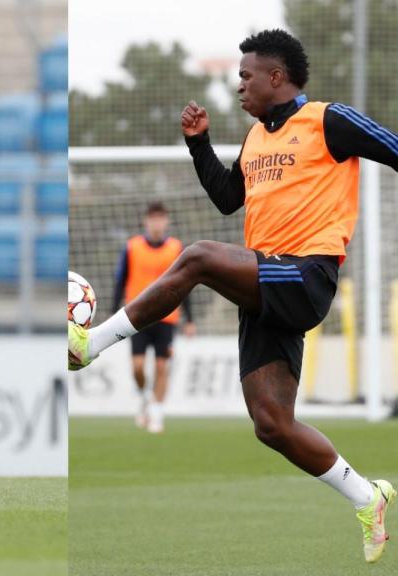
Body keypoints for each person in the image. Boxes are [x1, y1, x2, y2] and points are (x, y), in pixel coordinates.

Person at [69, 29, 398, 562]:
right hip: (264, 285)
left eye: (245, 77)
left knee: (196, 256)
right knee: (272, 424)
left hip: (305, 274)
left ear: (276, 76)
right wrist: (199, 144)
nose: (238, 86)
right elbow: (228, 200)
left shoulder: (327, 119)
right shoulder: (256, 138)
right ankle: (368, 497)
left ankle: (89, 343)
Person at [112, 202, 195, 433]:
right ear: (145, 222)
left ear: (166, 221)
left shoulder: (176, 248)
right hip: (136, 317)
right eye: (153, 218)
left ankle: (157, 413)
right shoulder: (132, 248)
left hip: (167, 318)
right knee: (137, 368)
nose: (157, 223)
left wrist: (189, 319)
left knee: (161, 366)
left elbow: (186, 284)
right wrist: (112, 315)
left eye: (161, 218)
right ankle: (145, 397)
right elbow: (120, 282)